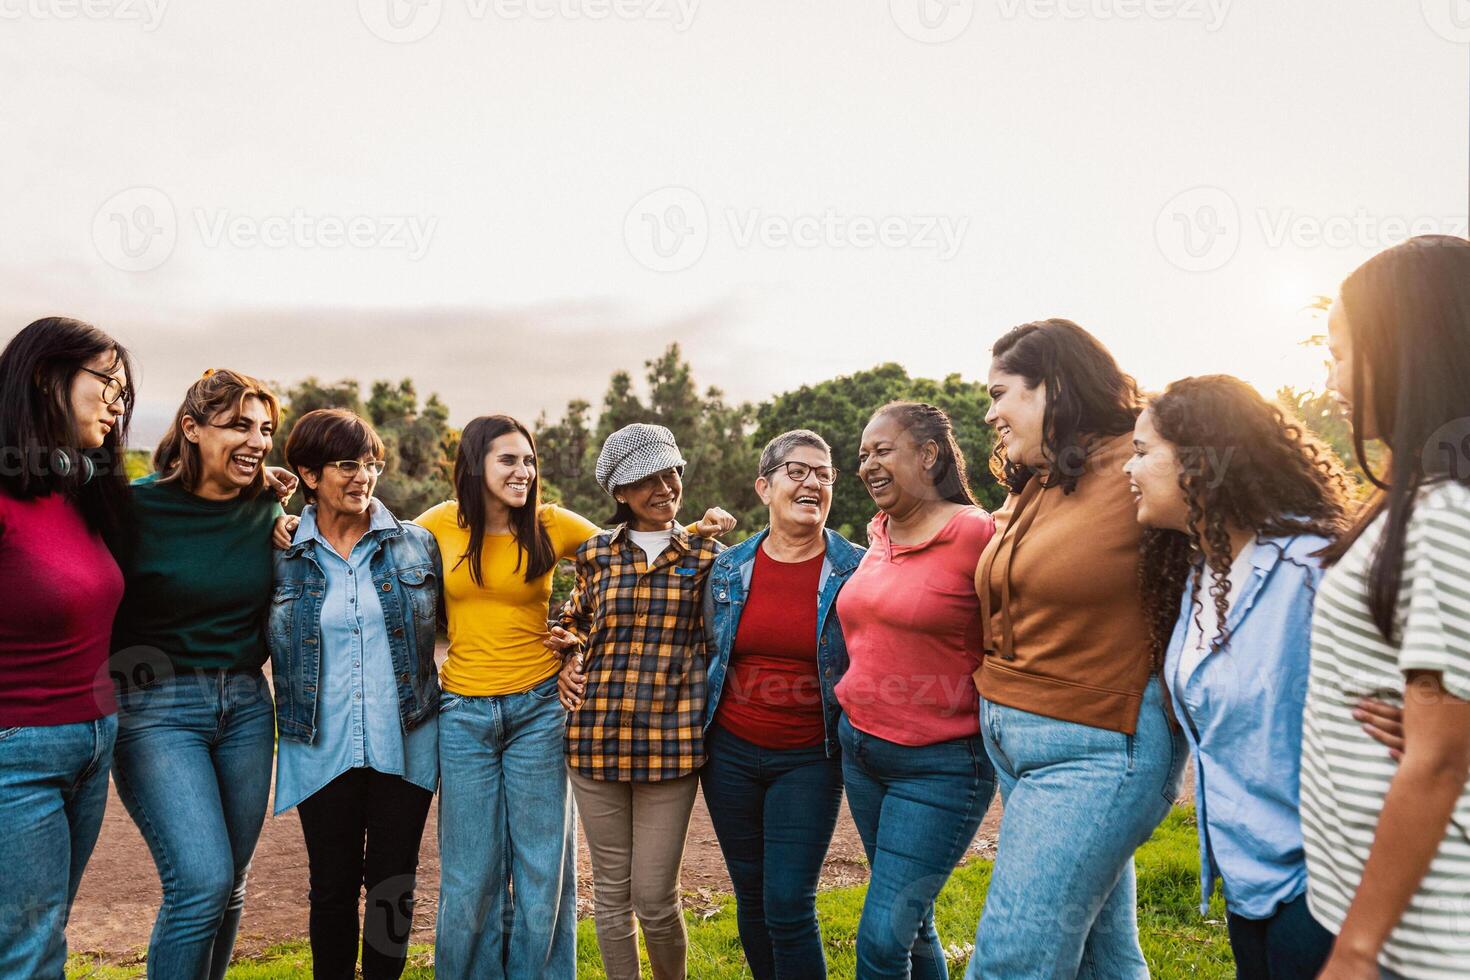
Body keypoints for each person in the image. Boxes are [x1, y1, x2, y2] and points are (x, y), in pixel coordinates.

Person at [970, 319, 1187, 979]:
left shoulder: (1140, 460)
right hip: (1021, 751)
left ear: (1054, 386)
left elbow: (1240, 539)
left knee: (1009, 962)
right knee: (1105, 962)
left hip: (1097, 752)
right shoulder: (1037, 479)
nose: (991, 412)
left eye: (1001, 392)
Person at [1124, 374, 1350, 978]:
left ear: (1200, 463)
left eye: (1143, 452)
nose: (1130, 468)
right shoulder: (1199, 576)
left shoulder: (1312, 571)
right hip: (1246, 884)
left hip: (1325, 888)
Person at [1302, 235, 1470, 980]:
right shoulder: (1408, 496)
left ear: (1411, 350)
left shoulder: (1446, 510)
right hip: (1370, 902)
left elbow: (1437, 759)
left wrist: (1358, 949)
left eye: (1341, 349)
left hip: (1422, 933)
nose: (1330, 374)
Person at [110, 368, 291, 980]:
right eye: (238, 425)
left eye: (265, 429)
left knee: (230, 884)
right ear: (191, 427)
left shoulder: (268, 506)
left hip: (245, 705)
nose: (257, 441)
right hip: (155, 709)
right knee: (201, 881)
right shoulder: (134, 507)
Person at [551, 422, 734, 980]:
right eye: (647, 479)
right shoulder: (595, 556)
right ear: (621, 494)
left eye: (671, 473)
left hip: (670, 747)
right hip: (595, 742)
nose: (665, 487)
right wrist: (567, 654)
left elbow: (723, 639)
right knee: (609, 894)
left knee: (654, 896)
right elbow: (574, 620)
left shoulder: (709, 554)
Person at [270, 409, 443, 980]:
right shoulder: (281, 551)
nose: (363, 477)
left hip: (406, 740)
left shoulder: (418, 546)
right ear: (309, 474)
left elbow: (471, 621)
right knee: (332, 888)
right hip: (321, 746)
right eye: (347, 465)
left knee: (394, 884)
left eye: (371, 464)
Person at [836, 401, 996, 980]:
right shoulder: (879, 531)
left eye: (882, 451)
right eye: (862, 455)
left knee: (881, 941)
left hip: (942, 766)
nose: (867, 465)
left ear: (928, 455)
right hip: (862, 752)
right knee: (914, 923)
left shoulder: (978, 534)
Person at [700, 429, 865, 980]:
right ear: (764, 487)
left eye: (824, 474)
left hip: (810, 758)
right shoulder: (728, 569)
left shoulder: (857, 571)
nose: (813, 482)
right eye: (798, 471)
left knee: (789, 904)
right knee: (751, 899)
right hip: (730, 756)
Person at [0, 317, 133, 978]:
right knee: (28, 954)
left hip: (92, 741)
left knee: (43, 937)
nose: (117, 403)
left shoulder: (80, 490)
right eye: (105, 384)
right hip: (15, 753)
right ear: (47, 377)